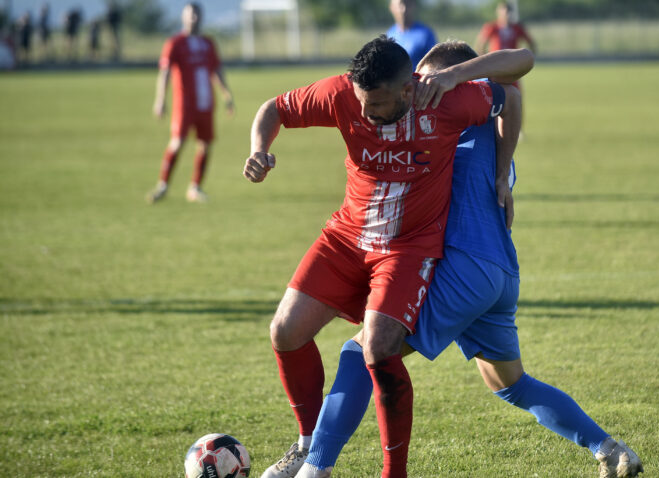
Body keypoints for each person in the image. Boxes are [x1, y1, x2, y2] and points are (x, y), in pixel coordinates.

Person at [292, 42, 644, 478]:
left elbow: (517, 66)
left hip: (461, 267)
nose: (415, 89)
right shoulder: (494, 128)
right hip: (499, 274)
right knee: (509, 384)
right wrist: (502, 171)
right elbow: (511, 91)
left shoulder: (452, 118)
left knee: (363, 349)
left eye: (424, 78)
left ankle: (314, 466)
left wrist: (455, 77)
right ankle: (609, 449)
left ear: (457, 81)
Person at [244, 35, 531, 478]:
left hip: (407, 249)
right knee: (284, 331)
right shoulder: (342, 93)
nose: (364, 113)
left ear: (407, 90)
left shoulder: (446, 102)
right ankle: (306, 447)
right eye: (361, 101)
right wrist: (259, 150)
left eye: (376, 104)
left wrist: (501, 174)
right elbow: (273, 109)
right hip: (346, 238)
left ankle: (393, 472)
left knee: (378, 349)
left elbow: (515, 81)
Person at [146, 2, 234, 204]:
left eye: (197, 14)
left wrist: (227, 95)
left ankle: (195, 188)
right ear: (183, 17)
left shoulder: (208, 43)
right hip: (184, 104)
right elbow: (165, 72)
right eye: (190, 14)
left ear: (201, 16)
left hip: (206, 104)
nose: (194, 17)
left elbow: (217, 70)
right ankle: (163, 185)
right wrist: (160, 100)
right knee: (177, 143)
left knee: (205, 145)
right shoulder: (175, 43)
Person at [386, 0, 437, 70]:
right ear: (391, 8)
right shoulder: (390, 33)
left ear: (413, 6)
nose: (404, 9)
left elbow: (435, 65)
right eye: (400, 4)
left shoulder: (425, 34)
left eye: (408, 4)